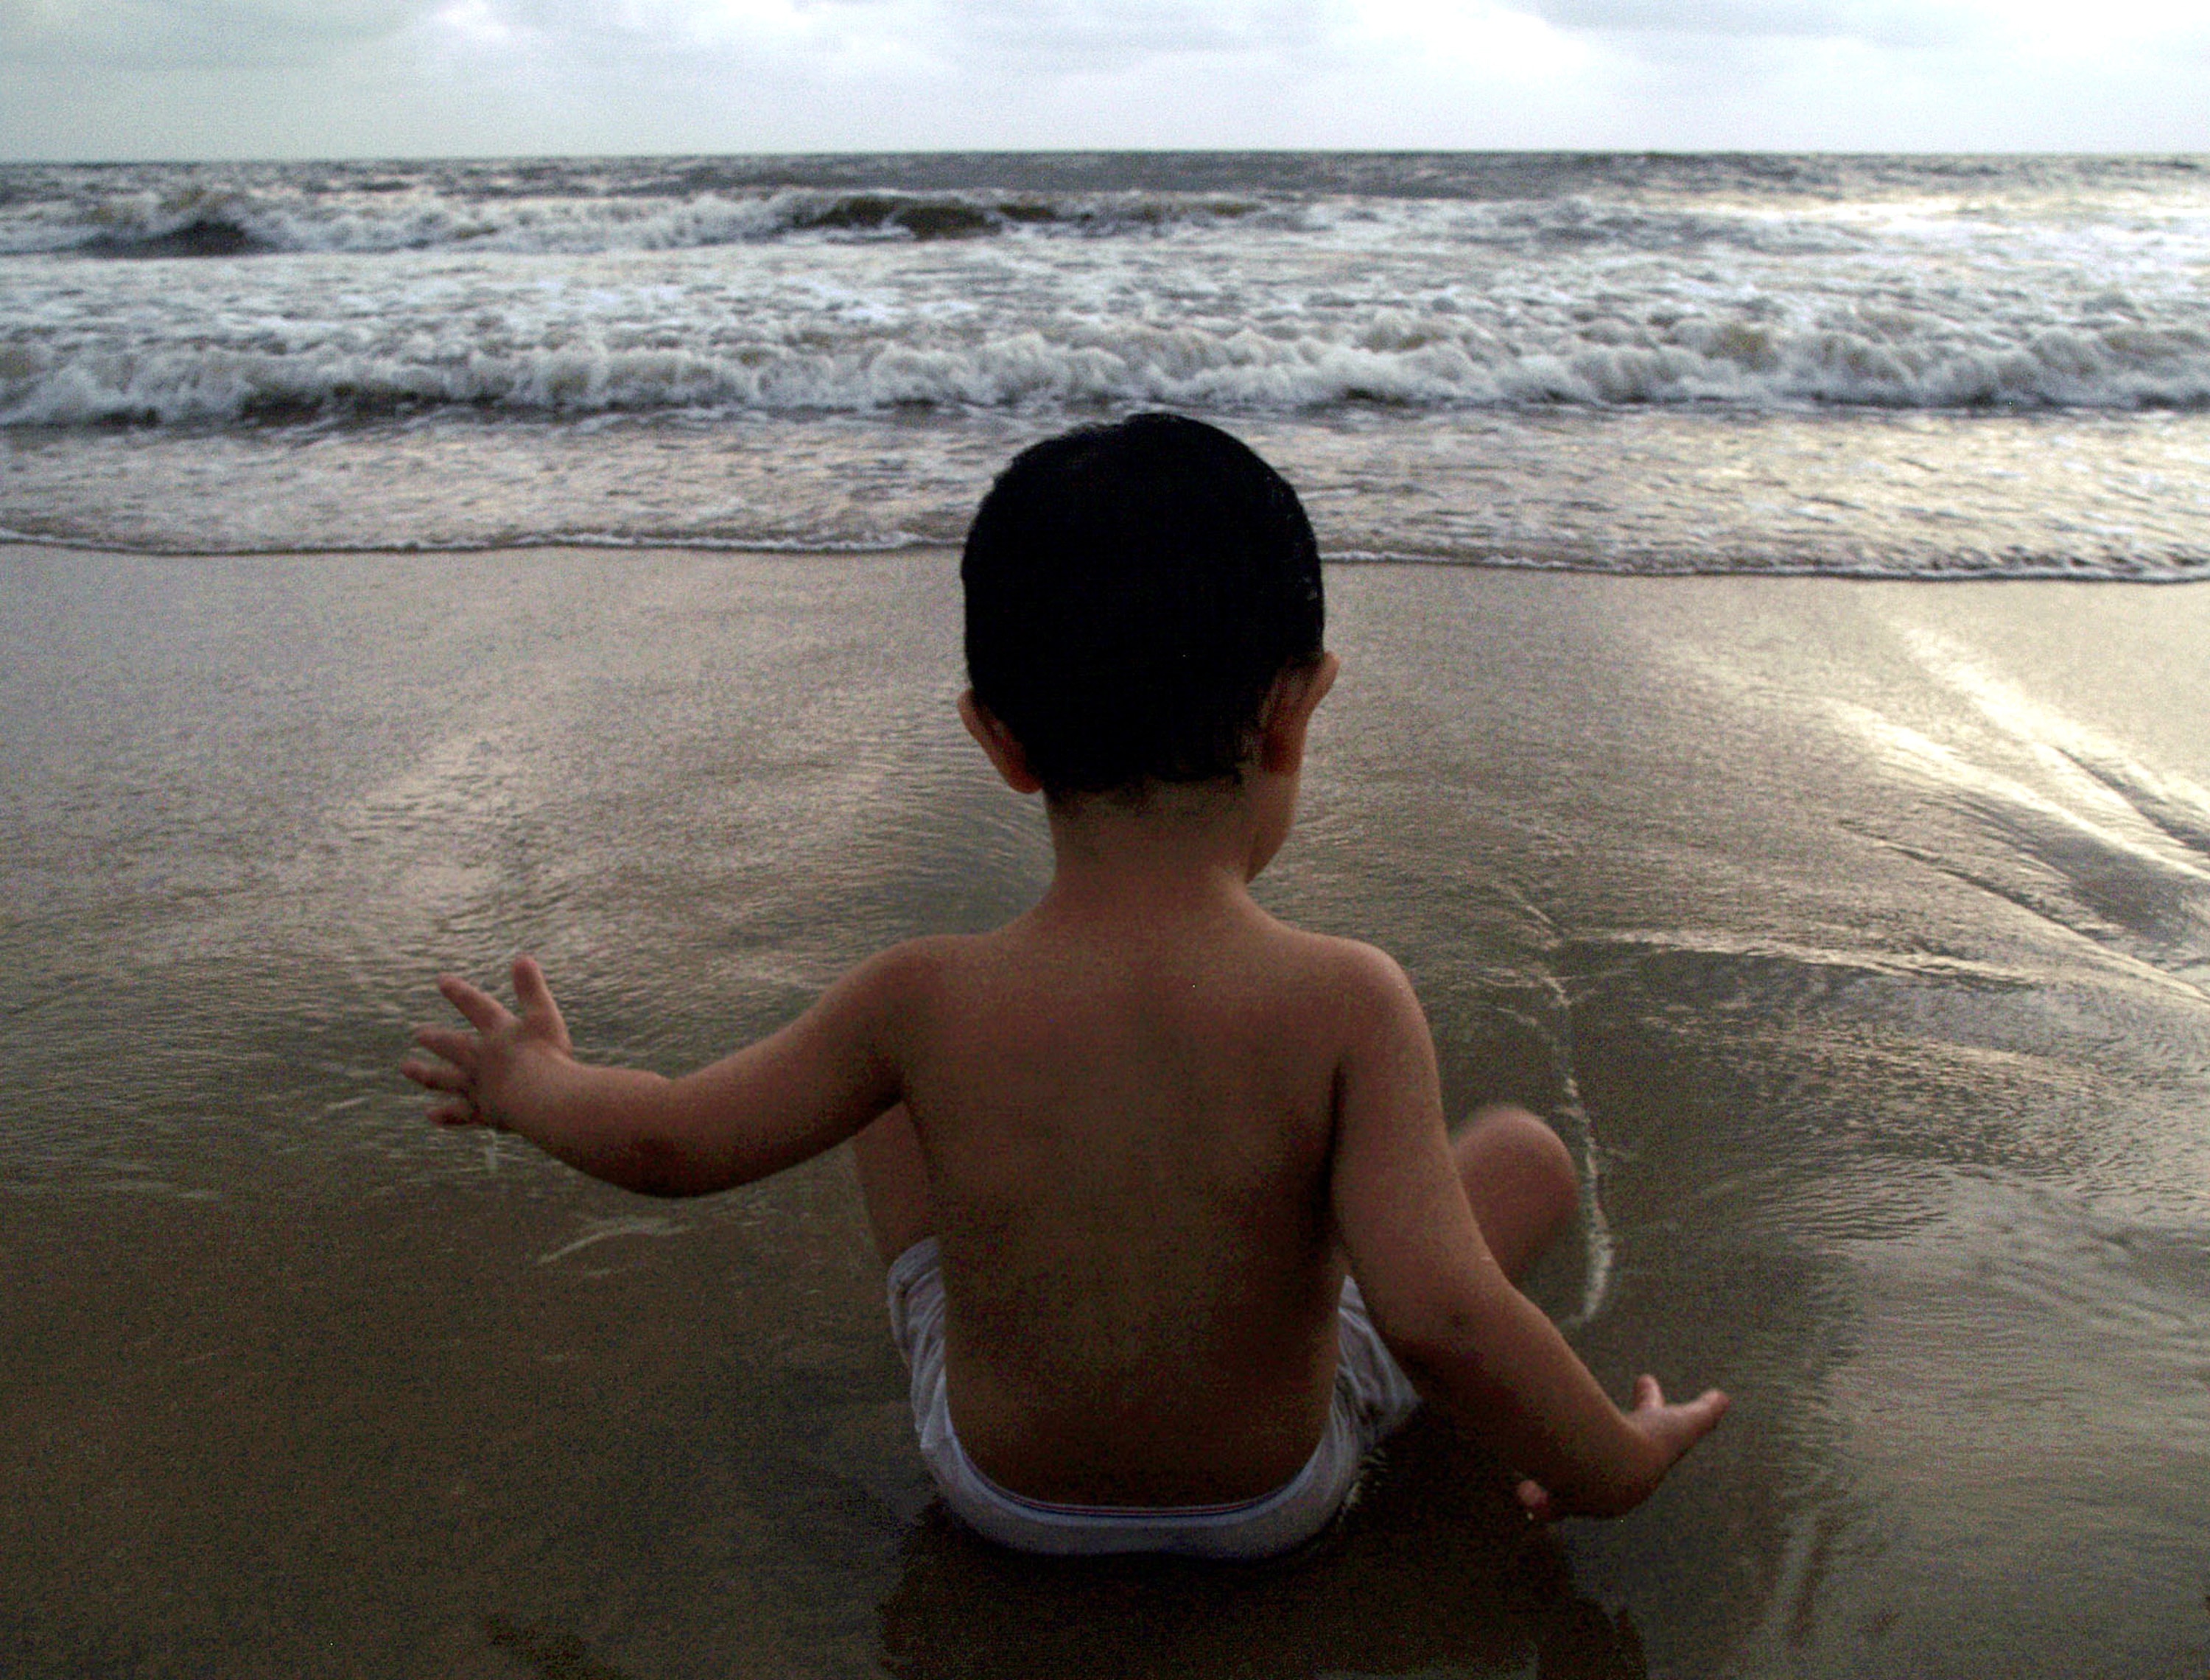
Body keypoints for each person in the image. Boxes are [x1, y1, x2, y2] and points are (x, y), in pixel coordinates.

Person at [402, 413, 1727, 1560]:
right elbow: (1441, 1315)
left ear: (999, 739)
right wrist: (1617, 1459)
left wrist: (531, 1080)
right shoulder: (1346, 1000)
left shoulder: (917, 996)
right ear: (1293, 714)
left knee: (886, 1096)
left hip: (999, 1492)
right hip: (1276, 1494)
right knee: (1523, 1158)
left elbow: (666, 1143)